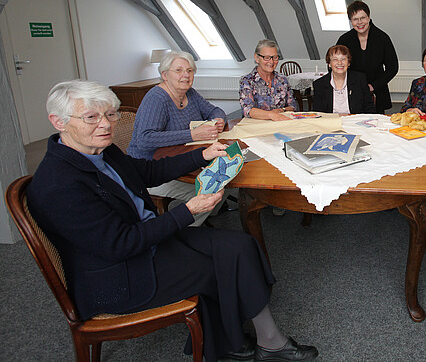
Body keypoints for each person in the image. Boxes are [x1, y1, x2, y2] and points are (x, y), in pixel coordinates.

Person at [27, 80, 318, 362]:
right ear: (59, 122)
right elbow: (120, 244)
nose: (105, 124)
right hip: (119, 276)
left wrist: (202, 155)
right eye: (91, 117)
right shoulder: (58, 184)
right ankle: (260, 343)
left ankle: (247, 341)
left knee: (240, 246)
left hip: (147, 242)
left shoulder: (100, 150)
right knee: (220, 264)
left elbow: (148, 172)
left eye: (109, 114)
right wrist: (188, 211)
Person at [128, 50, 228, 226]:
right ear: (164, 75)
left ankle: (208, 213)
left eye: (190, 71)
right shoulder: (156, 98)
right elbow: (145, 139)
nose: (185, 75)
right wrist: (192, 134)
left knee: (226, 176)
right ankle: (180, 234)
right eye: (179, 70)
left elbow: (214, 110)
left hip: (181, 160)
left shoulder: (190, 93)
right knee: (210, 190)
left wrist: (219, 119)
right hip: (152, 170)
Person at [336, 1, 399, 114]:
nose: (360, 22)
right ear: (351, 21)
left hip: (377, 92)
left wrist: (373, 86)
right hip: (351, 92)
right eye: (355, 19)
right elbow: (335, 64)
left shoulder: (382, 38)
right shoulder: (344, 40)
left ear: (369, 17)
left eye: (363, 18)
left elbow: (393, 67)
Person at [239, 39, 297, 121]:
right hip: (257, 127)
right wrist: (271, 115)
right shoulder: (247, 81)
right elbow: (247, 110)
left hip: (281, 124)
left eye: (275, 57)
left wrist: (281, 110)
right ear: (257, 58)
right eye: (266, 58)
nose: (271, 62)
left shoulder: (282, 80)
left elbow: (293, 107)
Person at [312, 45, 375, 114]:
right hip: (330, 122)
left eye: (343, 59)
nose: (339, 63)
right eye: (335, 59)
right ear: (329, 63)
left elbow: (369, 108)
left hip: (355, 122)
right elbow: (318, 113)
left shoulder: (360, 79)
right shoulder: (319, 84)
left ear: (348, 63)